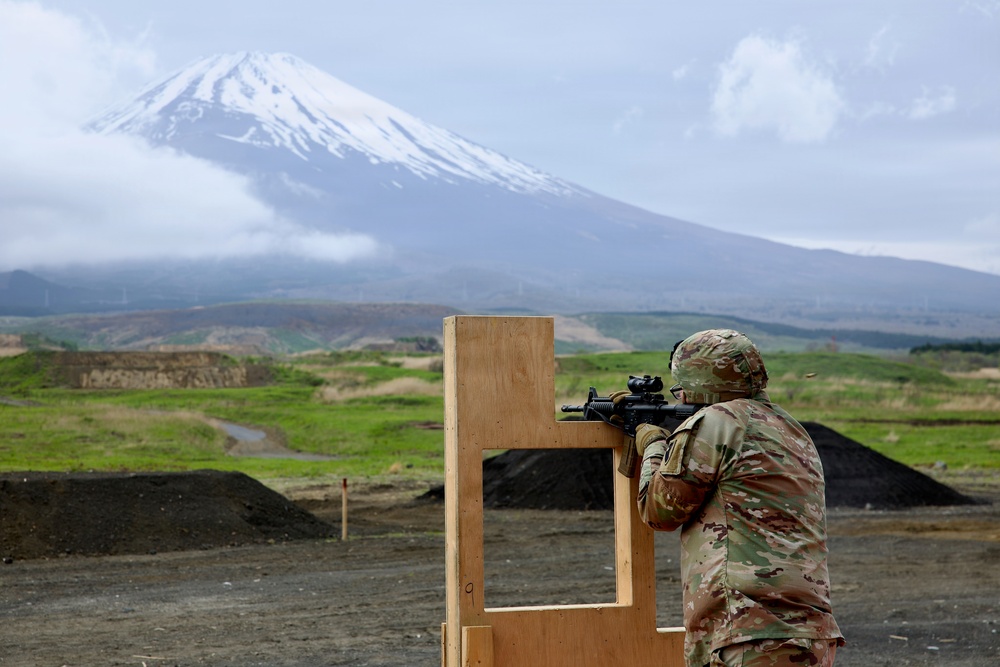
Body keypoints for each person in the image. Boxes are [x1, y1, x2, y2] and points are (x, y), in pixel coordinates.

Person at [628, 329, 844, 667]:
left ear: (701, 382)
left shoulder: (715, 421)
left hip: (749, 633)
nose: (681, 396)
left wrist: (653, 442)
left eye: (682, 386)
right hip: (806, 632)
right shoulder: (789, 427)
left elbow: (660, 510)